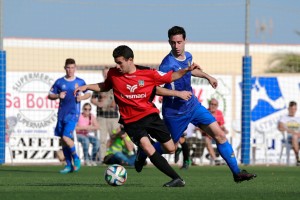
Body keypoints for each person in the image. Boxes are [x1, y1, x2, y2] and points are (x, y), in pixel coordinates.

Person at [74, 45, 197, 187]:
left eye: (120, 62)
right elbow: (105, 86)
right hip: (131, 121)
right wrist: (87, 86)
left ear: (130, 60)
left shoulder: (148, 73)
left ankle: (141, 154)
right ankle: (177, 179)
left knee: (171, 148)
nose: (117, 66)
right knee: (147, 145)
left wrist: (187, 70)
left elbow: (171, 77)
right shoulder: (114, 73)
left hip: (150, 116)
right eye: (116, 62)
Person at [157, 26, 257, 183]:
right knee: (171, 148)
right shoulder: (166, 64)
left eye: (179, 42)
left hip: (193, 106)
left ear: (185, 41)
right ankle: (145, 151)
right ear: (169, 42)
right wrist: (178, 94)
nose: (176, 46)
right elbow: (156, 89)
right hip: (175, 112)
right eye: (173, 43)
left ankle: (237, 173)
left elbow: (191, 70)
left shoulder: (188, 56)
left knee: (220, 135)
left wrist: (207, 76)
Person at [48, 58, 91, 174]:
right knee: (63, 140)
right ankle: (68, 165)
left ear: (75, 68)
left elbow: (88, 93)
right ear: (65, 68)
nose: (70, 70)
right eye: (68, 67)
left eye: (72, 67)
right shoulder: (59, 82)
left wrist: (81, 97)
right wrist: (58, 95)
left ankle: (76, 158)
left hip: (73, 115)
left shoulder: (80, 82)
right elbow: (50, 95)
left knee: (66, 137)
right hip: (61, 114)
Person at [91, 67, 120, 162]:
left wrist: (115, 102)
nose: (106, 75)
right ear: (102, 74)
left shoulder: (116, 85)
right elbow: (92, 99)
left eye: (108, 73)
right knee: (102, 139)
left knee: (115, 138)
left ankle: (115, 158)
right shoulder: (99, 86)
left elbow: (121, 97)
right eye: (105, 73)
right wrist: (97, 103)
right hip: (102, 117)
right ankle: (103, 159)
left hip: (114, 117)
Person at [201, 98, 228, 165]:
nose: (213, 106)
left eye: (215, 105)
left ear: (217, 106)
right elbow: (200, 126)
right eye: (211, 104)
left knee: (223, 138)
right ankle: (215, 160)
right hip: (207, 135)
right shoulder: (205, 112)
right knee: (207, 140)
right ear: (209, 104)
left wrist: (224, 129)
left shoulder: (219, 113)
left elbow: (221, 126)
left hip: (217, 135)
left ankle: (226, 159)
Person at [278, 101, 300, 166]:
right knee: (294, 137)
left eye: (295, 109)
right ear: (288, 109)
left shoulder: (298, 119)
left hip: (298, 136)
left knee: (296, 136)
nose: (293, 111)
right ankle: (297, 158)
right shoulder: (284, 118)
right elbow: (280, 127)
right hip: (289, 137)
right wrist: (292, 132)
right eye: (292, 109)